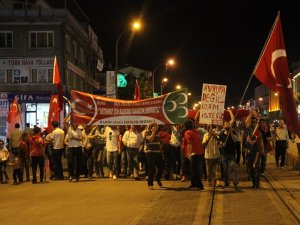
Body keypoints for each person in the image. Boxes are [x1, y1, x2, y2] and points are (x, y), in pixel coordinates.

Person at [183, 119, 205, 191]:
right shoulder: (195, 131)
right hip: (200, 152)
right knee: (193, 169)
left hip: (194, 153)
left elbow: (189, 144)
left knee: (194, 170)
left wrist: (189, 154)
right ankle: (193, 184)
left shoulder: (187, 132)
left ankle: (199, 185)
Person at [218, 110, 239, 188]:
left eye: (228, 124)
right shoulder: (221, 134)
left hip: (232, 153)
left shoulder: (232, 132)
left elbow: (235, 140)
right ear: (223, 126)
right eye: (225, 124)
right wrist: (221, 144)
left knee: (233, 167)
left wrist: (230, 112)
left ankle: (235, 181)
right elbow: (219, 143)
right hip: (224, 153)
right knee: (225, 168)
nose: (227, 125)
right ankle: (227, 182)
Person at [144, 123, 164, 190]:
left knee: (161, 167)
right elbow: (150, 139)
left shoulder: (158, 134)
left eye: (157, 126)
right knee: (152, 169)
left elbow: (160, 142)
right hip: (150, 153)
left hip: (157, 153)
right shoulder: (147, 133)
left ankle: (158, 178)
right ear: (152, 127)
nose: (157, 127)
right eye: (155, 126)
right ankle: (150, 184)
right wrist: (153, 132)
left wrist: (161, 148)